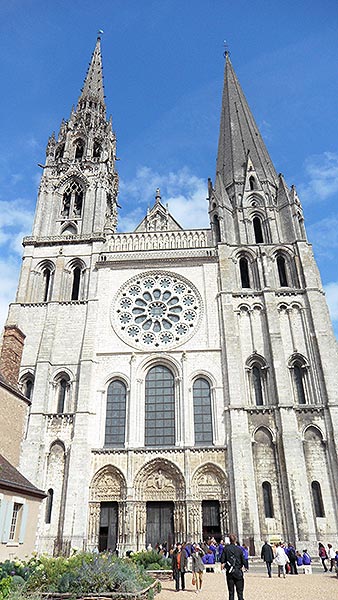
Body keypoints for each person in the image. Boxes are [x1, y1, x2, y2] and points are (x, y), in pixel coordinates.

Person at [221, 533, 245, 600]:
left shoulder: (226, 549)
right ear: (235, 540)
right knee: (240, 593)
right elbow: (243, 561)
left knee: (231, 592)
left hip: (230, 572)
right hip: (238, 572)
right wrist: (243, 566)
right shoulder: (239, 549)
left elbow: (222, 561)